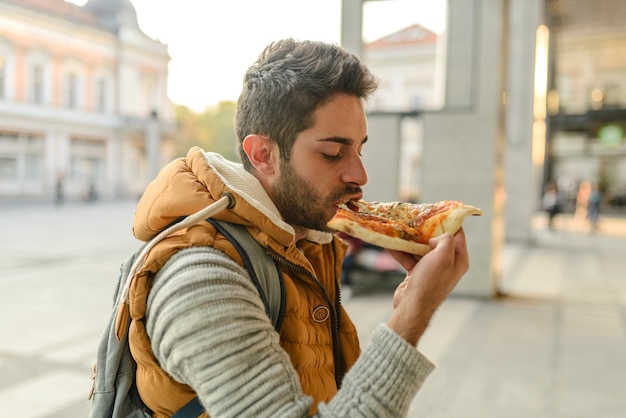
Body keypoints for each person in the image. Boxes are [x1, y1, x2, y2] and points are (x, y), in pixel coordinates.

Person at [128, 38, 469, 417]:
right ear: (263, 155)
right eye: (332, 153)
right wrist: (414, 311)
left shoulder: (307, 242)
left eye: (360, 149)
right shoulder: (202, 281)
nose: (360, 175)